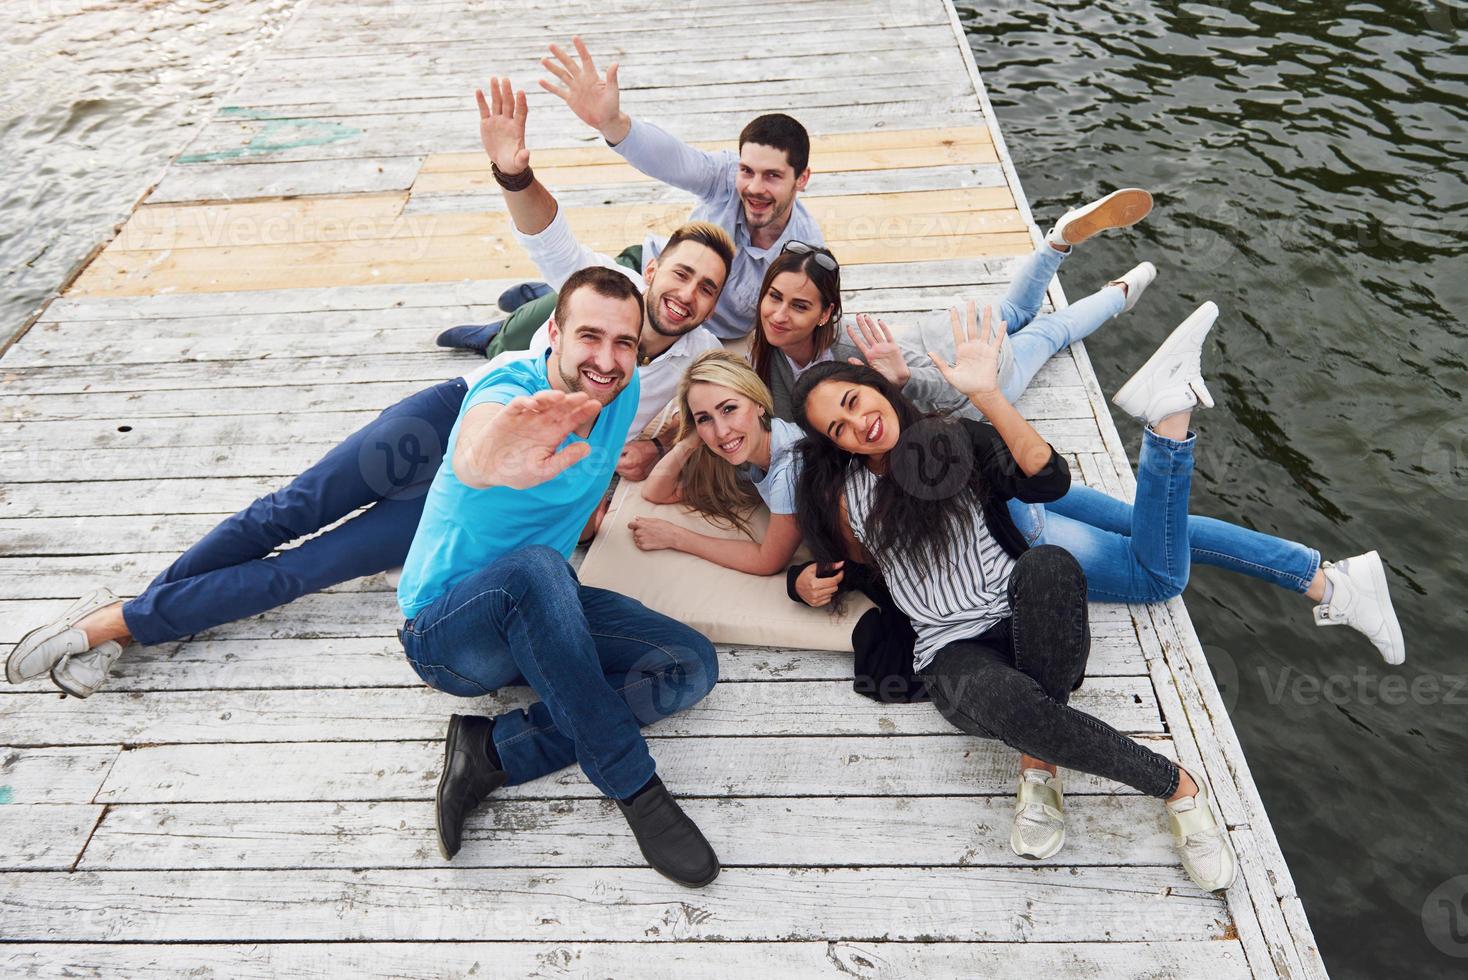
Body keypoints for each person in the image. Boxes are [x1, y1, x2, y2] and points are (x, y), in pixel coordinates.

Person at [4, 82, 740, 699]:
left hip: (477, 497)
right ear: (652, 268)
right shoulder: (600, 292)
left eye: (706, 289)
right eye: (679, 274)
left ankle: (123, 620)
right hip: (450, 419)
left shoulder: (696, 363)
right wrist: (513, 172)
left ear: (714, 305)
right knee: (285, 512)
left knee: (312, 566)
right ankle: (125, 615)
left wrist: (646, 455)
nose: (686, 294)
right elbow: (547, 234)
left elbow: (725, 411)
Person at [786, 304, 1239, 891]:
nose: (858, 425)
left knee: (1049, 562)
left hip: (1022, 614)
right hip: (950, 653)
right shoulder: (841, 496)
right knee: (1004, 697)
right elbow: (828, 568)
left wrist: (990, 394)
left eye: (853, 403)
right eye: (837, 430)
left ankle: (1038, 764)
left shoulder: (951, 440)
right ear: (834, 446)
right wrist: (799, 584)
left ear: (873, 385)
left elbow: (1049, 482)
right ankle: (1177, 787)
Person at [396, 265, 721, 886]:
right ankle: (637, 789)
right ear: (554, 332)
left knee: (689, 664)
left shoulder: (617, 394)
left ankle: (491, 752)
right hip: (447, 634)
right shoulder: (507, 389)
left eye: (624, 343)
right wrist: (489, 459)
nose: (606, 358)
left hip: (542, 604)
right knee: (541, 571)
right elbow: (475, 446)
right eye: (590, 338)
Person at [437, 36, 823, 355]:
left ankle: (532, 299)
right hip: (649, 271)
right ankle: (498, 333)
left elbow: (803, 322)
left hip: (690, 321)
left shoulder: (803, 252)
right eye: (747, 171)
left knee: (565, 311)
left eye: (772, 176)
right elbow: (673, 160)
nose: (754, 187)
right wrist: (614, 124)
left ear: (801, 179)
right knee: (531, 327)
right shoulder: (725, 176)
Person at [745, 191, 1158, 421]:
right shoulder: (766, 352)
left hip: (972, 380)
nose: (779, 315)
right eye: (775, 297)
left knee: (1052, 332)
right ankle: (1055, 242)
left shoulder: (852, 348)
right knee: (1016, 313)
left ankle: (1121, 290)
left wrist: (905, 381)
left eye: (799, 306)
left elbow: (953, 385)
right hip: (946, 330)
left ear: (825, 314)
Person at [632, 350, 803, 575]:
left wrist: (676, 537)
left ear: (759, 403)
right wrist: (692, 438)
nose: (721, 431)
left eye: (729, 409)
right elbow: (656, 492)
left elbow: (767, 561)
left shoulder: (789, 466)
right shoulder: (755, 458)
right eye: (704, 418)